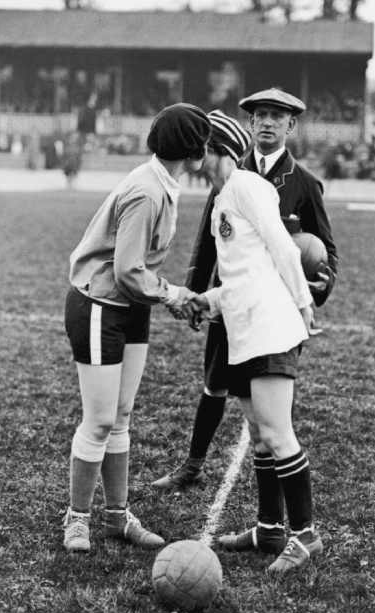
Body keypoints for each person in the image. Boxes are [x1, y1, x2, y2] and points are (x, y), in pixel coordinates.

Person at [152, 87, 338, 491]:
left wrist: (317, 291)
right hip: (229, 298)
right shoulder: (226, 174)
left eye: (277, 116)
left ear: (291, 124)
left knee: (268, 419)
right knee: (214, 384)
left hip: (274, 311)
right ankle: (193, 465)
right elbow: (208, 239)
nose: (268, 122)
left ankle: (274, 521)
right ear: (250, 124)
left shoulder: (304, 183)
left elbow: (321, 249)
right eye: (260, 116)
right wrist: (195, 295)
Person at [61, 103, 211, 552]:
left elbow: (136, 275)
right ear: (192, 149)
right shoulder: (148, 191)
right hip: (100, 306)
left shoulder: (163, 183)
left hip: (130, 307)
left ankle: (117, 517)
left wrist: (167, 298)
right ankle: (77, 519)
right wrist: (174, 295)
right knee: (101, 419)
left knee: (121, 416)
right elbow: (127, 271)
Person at [189, 109, 321, 573]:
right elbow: (243, 276)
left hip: (269, 330)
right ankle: (269, 528)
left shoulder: (248, 186)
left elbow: (284, 248)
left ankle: (304, 535)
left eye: (196, 149)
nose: (190, 160)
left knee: (278, 435)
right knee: (261, 440)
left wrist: (304, 304)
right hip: (243, 333)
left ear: (216, 150)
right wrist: (202, 301)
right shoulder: (221, 198)